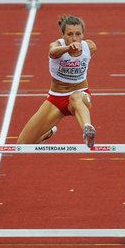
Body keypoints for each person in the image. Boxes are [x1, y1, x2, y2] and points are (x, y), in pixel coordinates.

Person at [17, 15, 97, 148]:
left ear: (83, 34)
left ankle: (88, 130)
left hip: (81, 96)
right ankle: (46, 134)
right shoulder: (56, 46)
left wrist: (78, 49)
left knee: (75, 97)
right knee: (22, 145)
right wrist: (68, 49)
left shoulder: (90, 46)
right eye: (70, 34)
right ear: (63, 35)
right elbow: (53, 52)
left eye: (78, 34)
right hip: (56, 99)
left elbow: (88, 47)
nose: (74, 38)